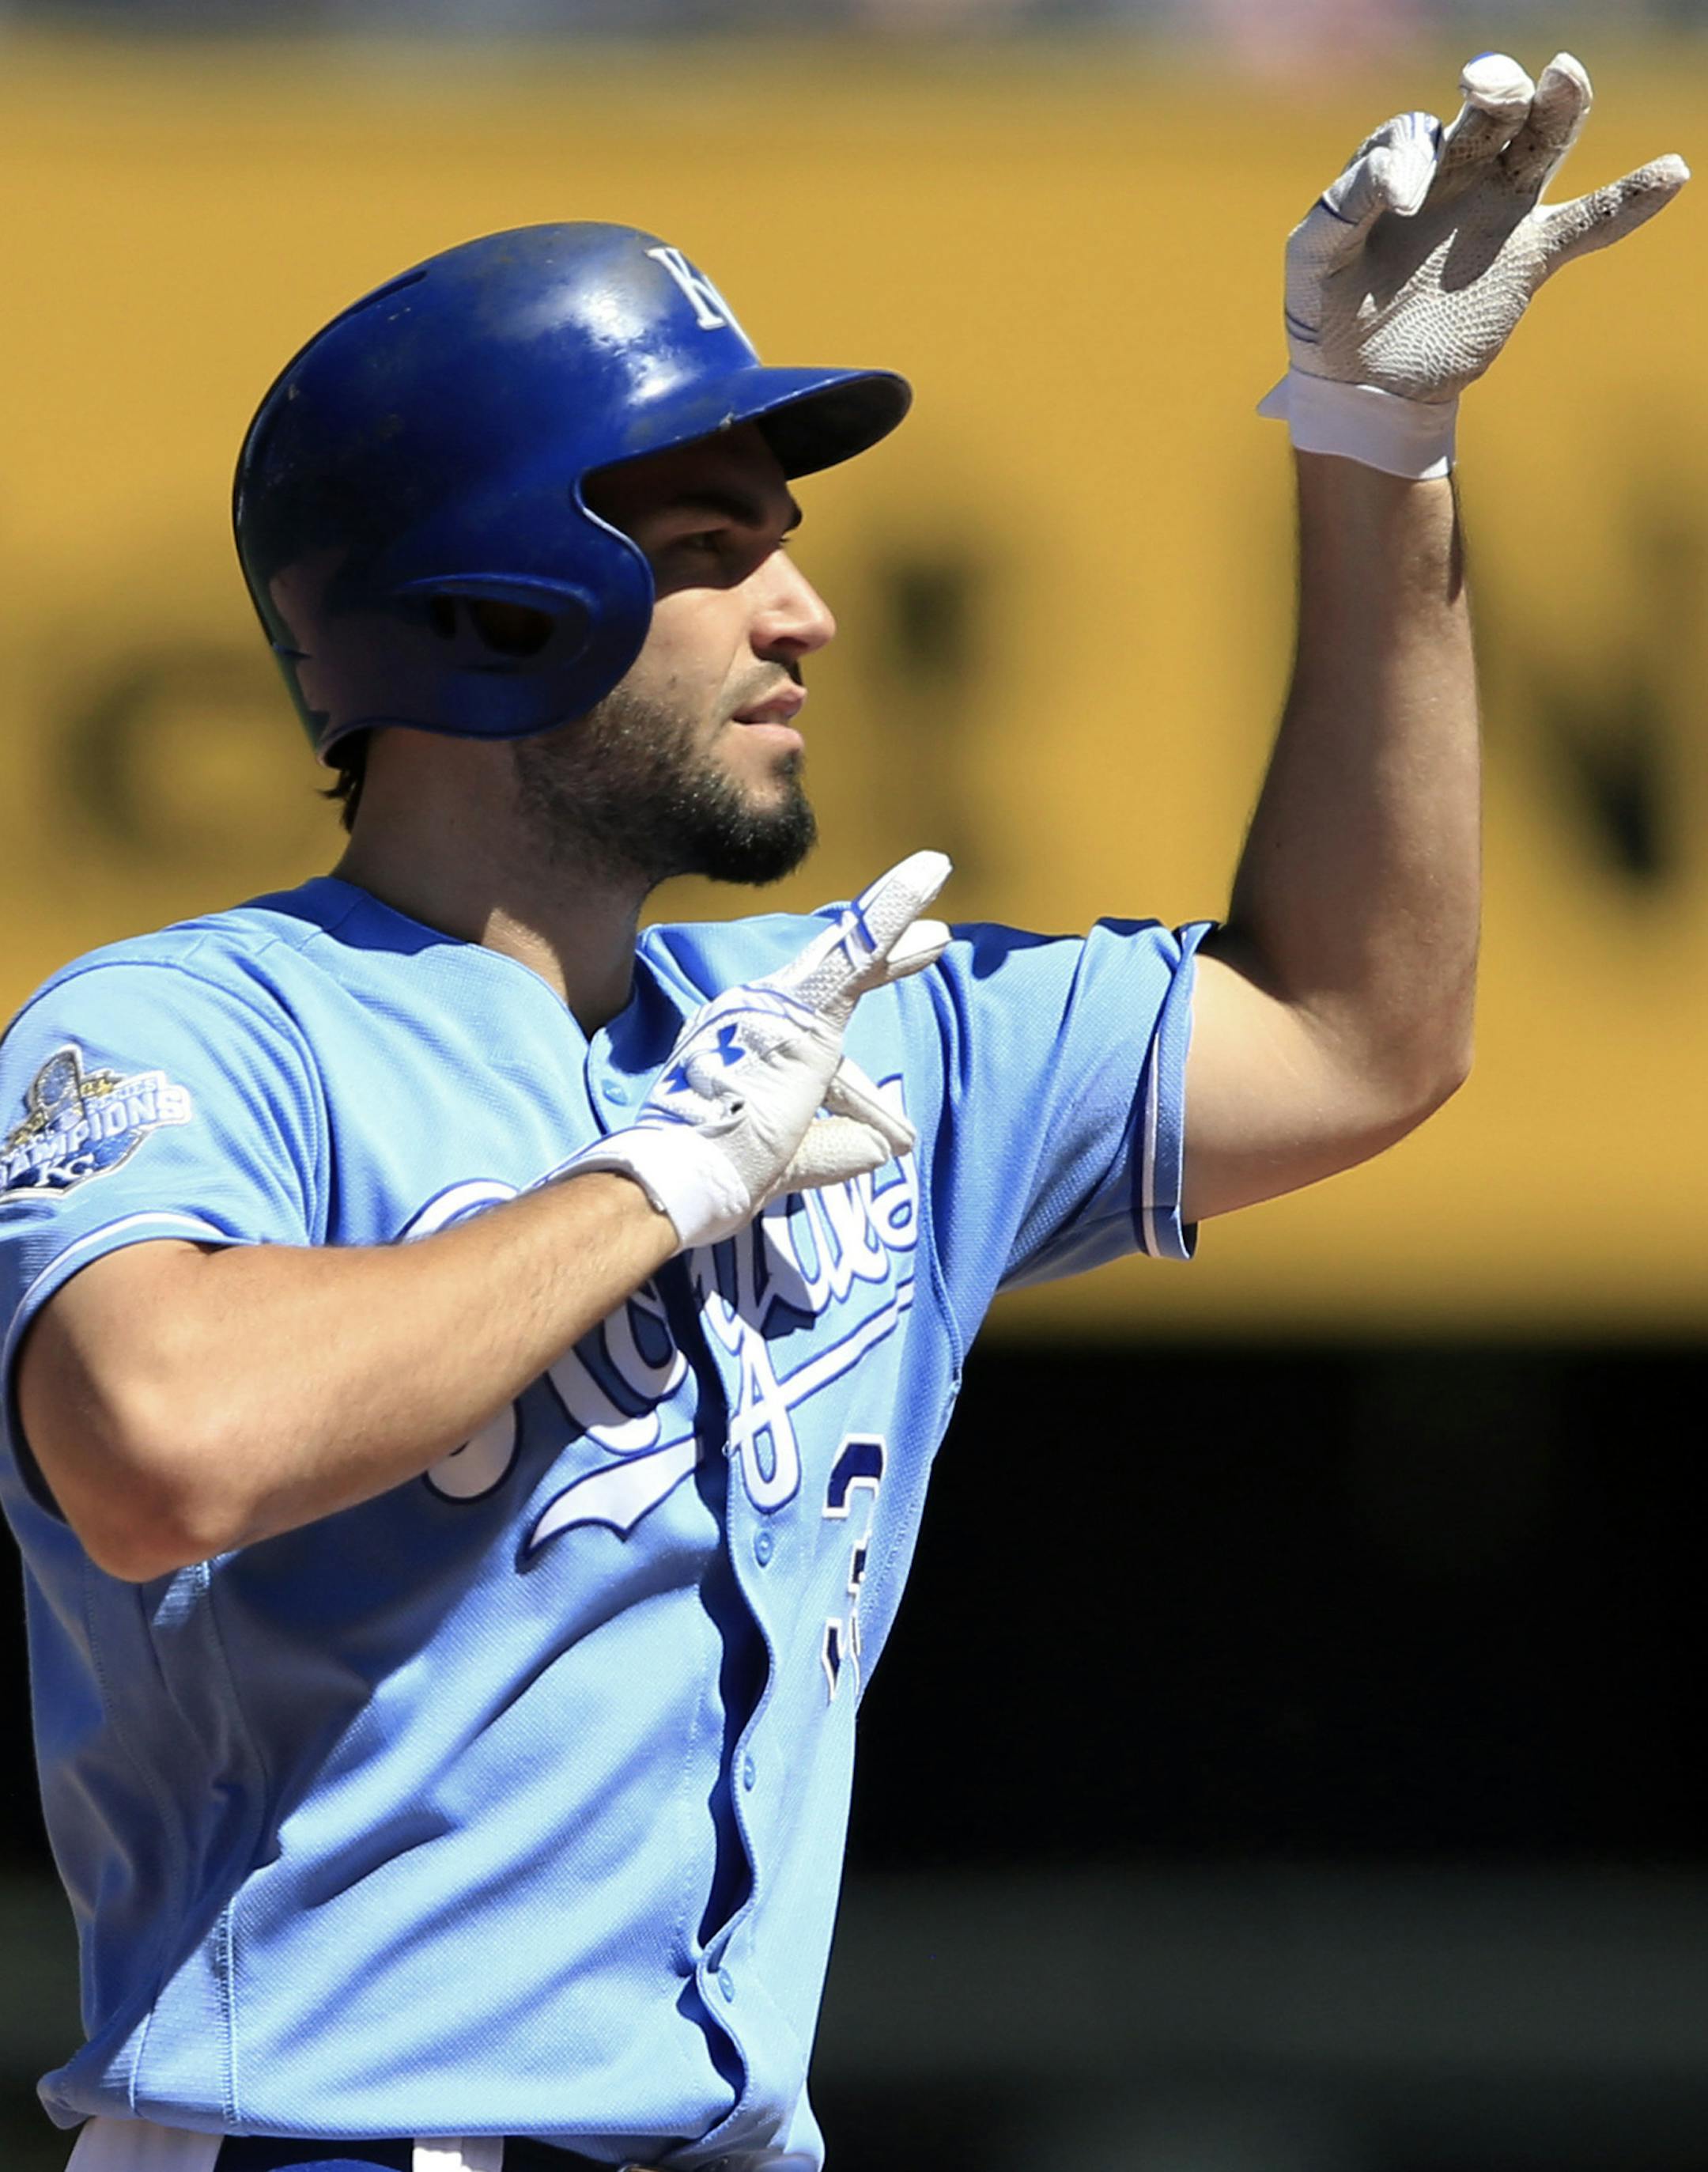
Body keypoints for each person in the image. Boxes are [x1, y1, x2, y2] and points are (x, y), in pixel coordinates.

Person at [0, 50, 1683, 2172]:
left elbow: (1363, 1029)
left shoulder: (835, 1030)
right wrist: (654, 1182)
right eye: (715, 549)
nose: (801, 609)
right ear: (489, 602)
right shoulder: (199, 1026)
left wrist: (1378, 446)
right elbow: (157, 1445)